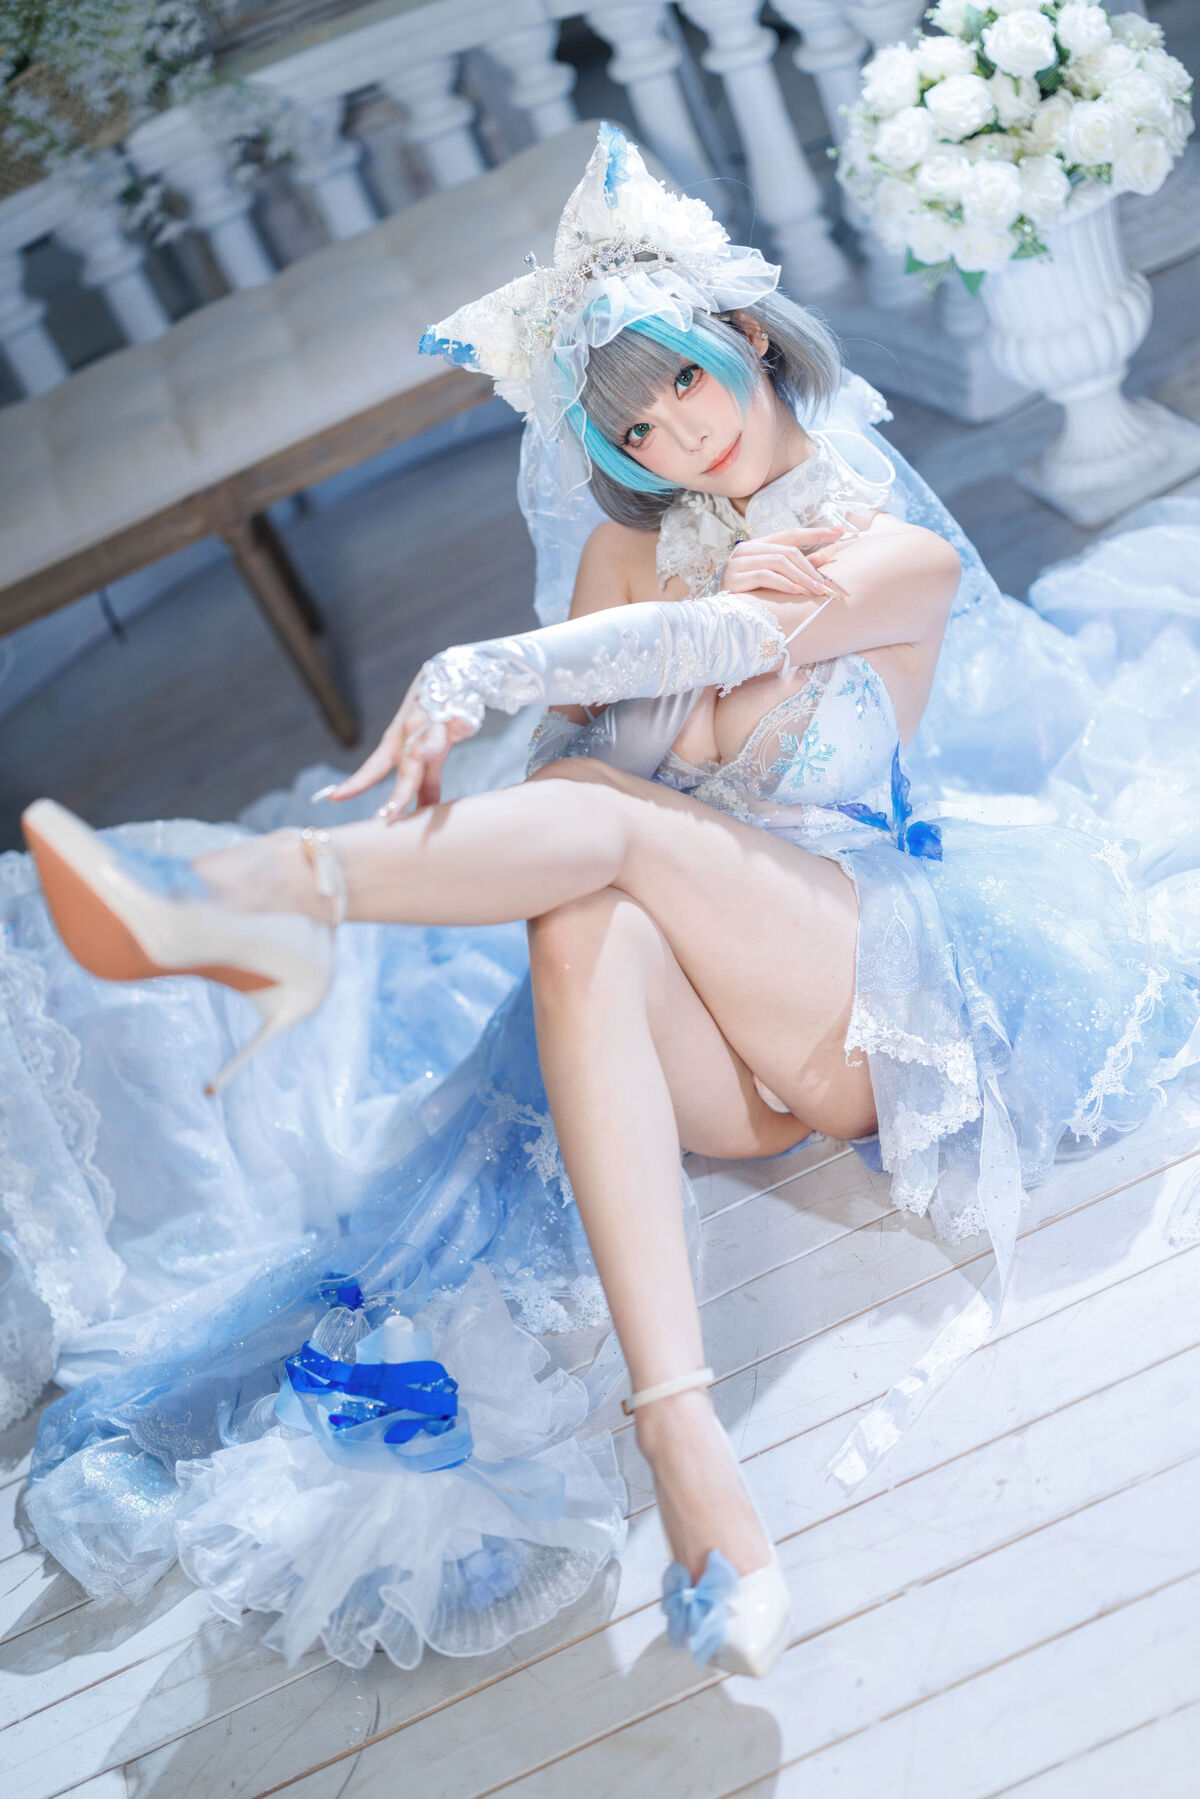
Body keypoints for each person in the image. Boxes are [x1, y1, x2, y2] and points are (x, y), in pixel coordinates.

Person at [8, 124, 1200, 1682]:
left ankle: (257, 899)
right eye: (633, 423)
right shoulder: (624, 570)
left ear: (749, 336)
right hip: (713, 1064)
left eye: (686, 379)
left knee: (609, 828)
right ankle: (688, 1452)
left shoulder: (886, 546)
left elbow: (715, 652)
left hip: (864, 989)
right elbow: (576, 782)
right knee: (581, 895)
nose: (675, 432)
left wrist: (492, 667)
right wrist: (573, 703)